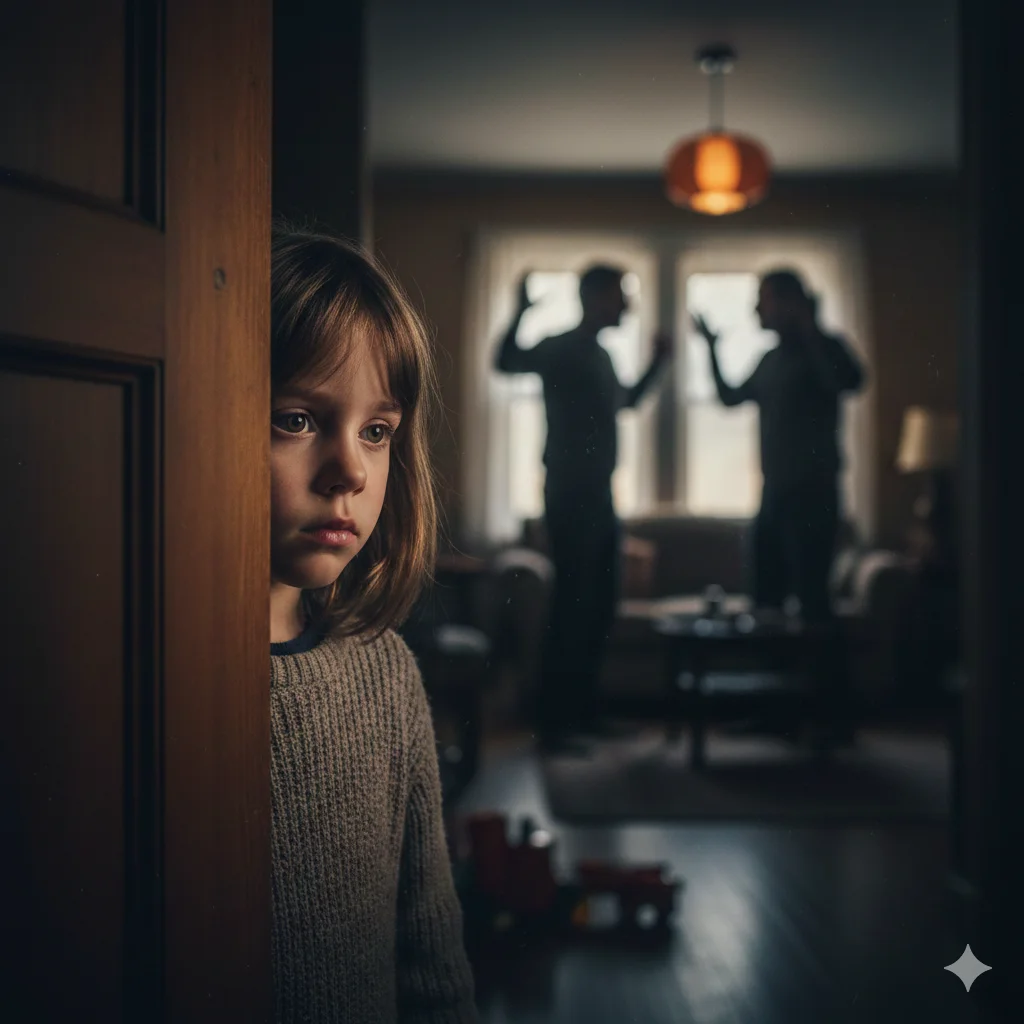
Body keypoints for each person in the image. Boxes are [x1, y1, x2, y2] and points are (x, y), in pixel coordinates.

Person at [269, 226, 477, 1023]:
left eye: (376, 431)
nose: (351, 470)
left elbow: (433, 957)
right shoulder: (142, 674)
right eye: (296, 419)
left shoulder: (384, 673)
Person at [495, 266, 672, 754]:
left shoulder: (600, 354)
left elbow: (627, 402)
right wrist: (520, 311)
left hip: (598, 494)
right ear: (594, 297)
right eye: (620, 297)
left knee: (598, 606)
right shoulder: (560, 347)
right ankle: (556, 726)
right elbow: (506, 361)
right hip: (571, 494)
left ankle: (585, 714)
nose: (627, 307)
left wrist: (659, 364)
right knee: (574, 606)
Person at [692, 268, 865, 745]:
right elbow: (730, 397)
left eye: (764, 300)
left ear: (793, 303)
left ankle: (833, 719)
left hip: (814, 495)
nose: (755, 311)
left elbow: (846, 384)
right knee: (765, 603)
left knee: (813, 605)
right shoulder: (769, 360)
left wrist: (810, 332)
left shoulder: (829, 348)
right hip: (773, 497)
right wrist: (709, 345)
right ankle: (776, 714)